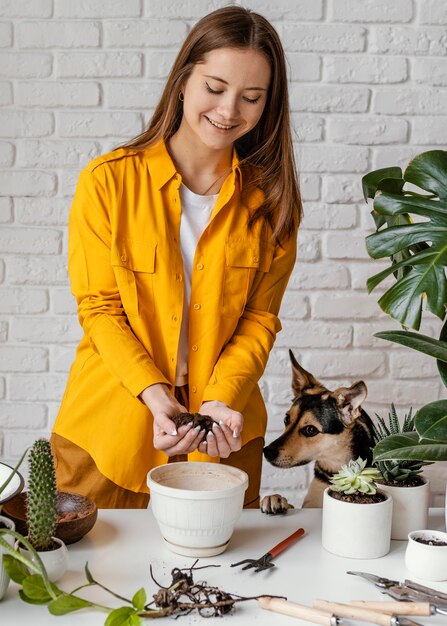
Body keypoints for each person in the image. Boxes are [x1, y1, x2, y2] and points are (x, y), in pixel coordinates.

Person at [50, 6, 302, 509]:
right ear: (183, 80)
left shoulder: (272, 203)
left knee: (217, 582)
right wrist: (156, 396)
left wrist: (219, 400)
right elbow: (100, 309)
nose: (230, 110)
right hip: (109, 430)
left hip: (222, 433)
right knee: (85, 578)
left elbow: (259, 320)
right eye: (215, 87)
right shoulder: (108, 182)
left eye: (251, 97)